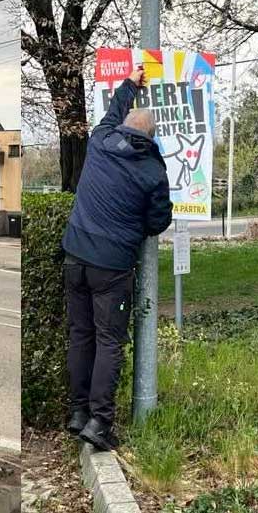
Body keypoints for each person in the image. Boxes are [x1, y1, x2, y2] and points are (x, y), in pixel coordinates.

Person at [61, 66, 172, 451]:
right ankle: (99, 423)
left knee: (80, 334)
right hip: (112, 265)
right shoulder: (153, 171)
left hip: (75, 255)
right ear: (151, 137)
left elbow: (112, 113)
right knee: (109, 341)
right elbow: (158, 222)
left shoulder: (101, 140)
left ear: (125, 127)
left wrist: (130, 84)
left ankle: (78, 412)